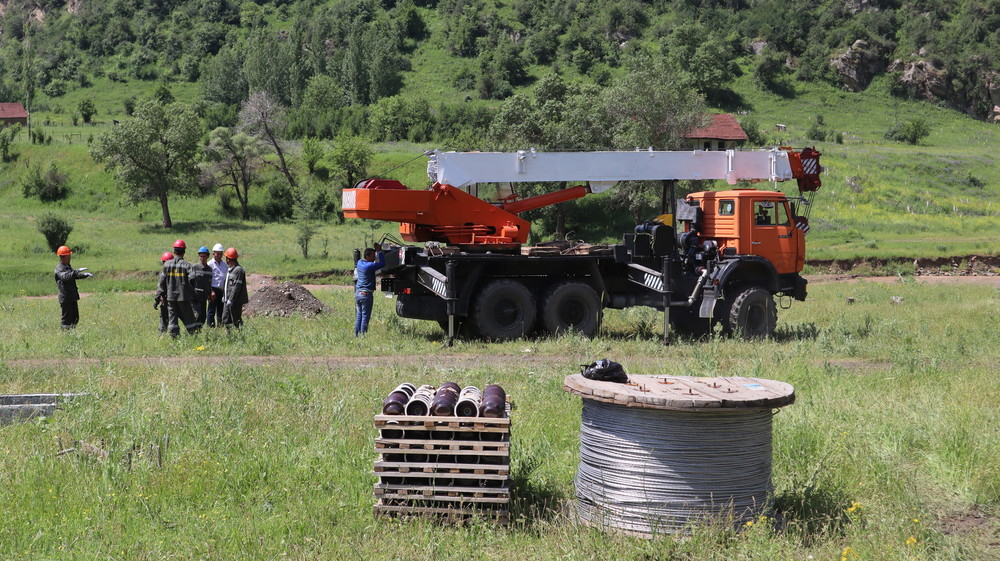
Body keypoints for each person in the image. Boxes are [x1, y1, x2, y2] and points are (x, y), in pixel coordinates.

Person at [159, 239, 200, 337]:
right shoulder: (187, 265)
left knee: (173, 320)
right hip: (183, 298)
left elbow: (161, 284)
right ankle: (193, 337)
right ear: (184, 252)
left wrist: (157, 299)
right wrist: (193, 295)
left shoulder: (167, 265)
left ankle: (175, 338)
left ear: (174, 251)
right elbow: (193, 278)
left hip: (170, 298)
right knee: (190, 319)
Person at [54, 245, 93, 329]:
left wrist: (84, 275)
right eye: (68, 257)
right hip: (65, 297)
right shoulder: (59, 268)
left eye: (69, 256)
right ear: (62, 257)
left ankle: (72, 332)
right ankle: (65, 333)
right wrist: (76, 271)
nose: (69, 258)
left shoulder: (67, 266)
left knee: (75, 317)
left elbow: (74, 276)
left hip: (71, 296)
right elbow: (65, 277)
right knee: (66, 319)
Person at [354, 242, 385, 337]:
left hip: (358, 293)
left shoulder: (360, 263)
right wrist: (379, 251)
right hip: (366, 294)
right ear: (367, 257)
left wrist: (375, 251)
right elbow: (382, 264)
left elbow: (371, 260)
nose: (374, 257)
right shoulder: (369, 266)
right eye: (373, 256)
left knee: (359, 315)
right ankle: (363, 336)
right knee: (365, 316)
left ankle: (356, 335)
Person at [222, 247, 248, 330]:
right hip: (227, 299)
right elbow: (227, 285)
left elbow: (236, 287)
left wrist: (231, 299)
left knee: (236, 319)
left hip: (235, 301)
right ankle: (229, 334)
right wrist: (224, 296)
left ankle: (240, 333)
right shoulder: (230, 270)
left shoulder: (238, 270)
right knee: (226, 318)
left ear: (228, 259)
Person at [189, 246, 214, 327]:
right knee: (196, 316)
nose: (202, 258)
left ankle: (199, 331)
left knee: (203, 317)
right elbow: (190, 282)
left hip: (204, 298)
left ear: (208, 256)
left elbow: (209, 283)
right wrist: (191, 295)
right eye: (201, 256)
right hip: (195, 298)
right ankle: (193, 331)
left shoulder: (210, 269)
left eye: (204, 256)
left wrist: (210, 294)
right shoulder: (195, 268)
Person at [206, 243, 227, 327]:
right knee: (211, 311)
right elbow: (207, 280)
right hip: (213, 290)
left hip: (221, 291)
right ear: (213, 253)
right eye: (217, 253)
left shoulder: (224, 265)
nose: (219, 255)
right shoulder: (209, 264)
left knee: (220, 310)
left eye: (220, 254)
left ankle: (220, 326)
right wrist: (211, 291)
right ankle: (210, 327)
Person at [153, 251, 173, 334]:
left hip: (166, 301)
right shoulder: (177, 273)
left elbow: (160, 289)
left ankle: (162, 335)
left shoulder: (163, 274)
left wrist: (156, 301)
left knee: (164, 320)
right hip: (177, 300)